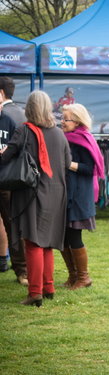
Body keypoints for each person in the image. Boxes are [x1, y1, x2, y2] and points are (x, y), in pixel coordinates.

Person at [0, 90, 71, 307]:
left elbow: (7, 157)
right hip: (56, 193)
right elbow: (67, 163)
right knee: (47, 243)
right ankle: (47, 287)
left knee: (33, 243)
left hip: (32, 193)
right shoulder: (59, 133)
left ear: (28, 109)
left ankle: (35, 293)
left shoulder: (24, 131)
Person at [61, 103, 104, 290]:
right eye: (61, 118)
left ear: (77, 121)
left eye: (66, 119)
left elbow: (90, 169)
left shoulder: (83, 139)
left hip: (79, 195)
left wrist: (68, 164)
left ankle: (84, 278)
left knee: (74, 236)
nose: (62, 122)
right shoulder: (67, 138)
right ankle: (73, 276)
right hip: (66, 193)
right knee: (63, 236)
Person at [0, 77, 28, 284]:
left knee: (13, 225)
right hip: (12, 179)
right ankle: (20, 269)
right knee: (12, 225)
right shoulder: (21, 113)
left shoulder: (9, 117)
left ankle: (22, 270)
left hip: (7, 180)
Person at [0, 100, 16, 273]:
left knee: (10, 222)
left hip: (5, 178)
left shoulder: (8, 121)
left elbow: (16, 148)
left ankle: (14, 264)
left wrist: (8, 151)